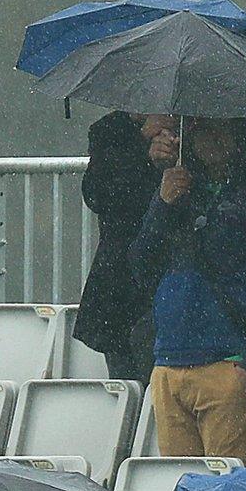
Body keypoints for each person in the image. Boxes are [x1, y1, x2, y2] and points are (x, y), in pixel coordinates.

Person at [130, 116, 246, 461]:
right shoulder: (175, 189)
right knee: (183, 486)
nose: (210, 138)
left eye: (220, 128)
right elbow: (141, 265)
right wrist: (162, 204)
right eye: (200, 129)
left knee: (227, 487)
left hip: (228, 363)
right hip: (169, 362)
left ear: (240, 135)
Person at [72, 111, 163, 383]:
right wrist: (142, 147)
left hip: (173, 278)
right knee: (127, 386)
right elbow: (98, 194)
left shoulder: (200, 126)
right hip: (120, 283)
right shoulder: (111, 131)